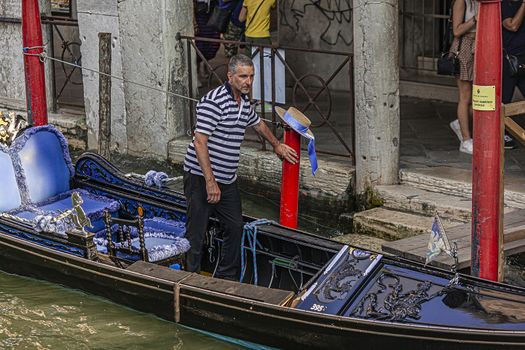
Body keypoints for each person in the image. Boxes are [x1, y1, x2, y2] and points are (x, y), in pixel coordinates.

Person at [183, 54, 298, 280]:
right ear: (230, 76)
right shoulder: (214, 101)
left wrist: (277, 146)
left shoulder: (243, 102)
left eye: (251, 76)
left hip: (227, 179)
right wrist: (210, 182)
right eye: (243, 76)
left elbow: (257, 123)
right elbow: (199, 142)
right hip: (201, 177)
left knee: (235, 227)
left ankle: (226, 277)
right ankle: (191, 279)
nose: (248, 81)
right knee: (196, 230)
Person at [448, 0, 477, 155]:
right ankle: (466, 140)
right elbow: (457, 31)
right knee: (465, 96)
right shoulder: (461, 1)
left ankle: (460, 122)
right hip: (465, 47)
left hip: (480, 45)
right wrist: (475, 19)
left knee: (479, 98)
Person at [501, 0, 525, 150]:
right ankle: (500, 133)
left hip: (524, 58)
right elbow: (513, 25)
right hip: (510, 59)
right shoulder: (504, 5)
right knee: (503, 101)